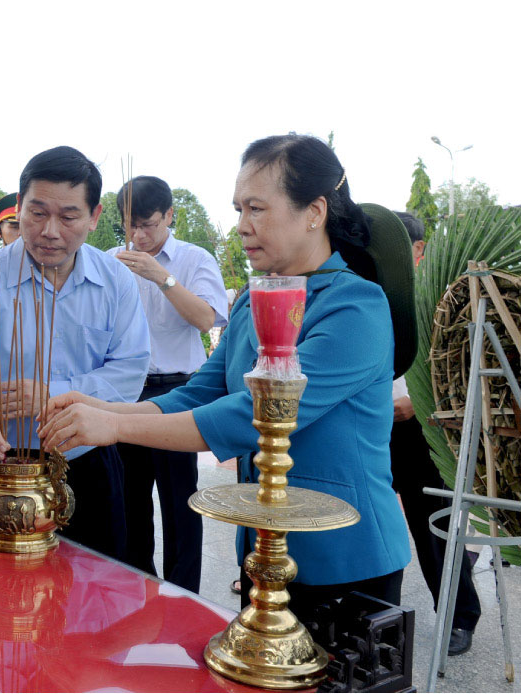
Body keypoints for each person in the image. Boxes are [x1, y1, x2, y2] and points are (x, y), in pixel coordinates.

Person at [39, 134, 412, 624]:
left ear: (314, 211)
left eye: (256, 209)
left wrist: (113, 427)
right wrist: (96, 408)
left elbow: (256, 414)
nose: (241, 227)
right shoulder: (255, 303)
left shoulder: (355, 307)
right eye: (238, 209)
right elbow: (196, 394)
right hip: (262, 546)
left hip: (343, 556)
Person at [0, 145, 150, 561]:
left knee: (99, 590)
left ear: (94, 217)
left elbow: (129, 371)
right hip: (4, 468)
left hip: (88, 462)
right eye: (37, 213)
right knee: (6, 593)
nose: (50, 230)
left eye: (68, 216)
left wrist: (53, 396)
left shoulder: (116, 282)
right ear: (18, 206)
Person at [107, 175, 228, 592]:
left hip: (180, 390)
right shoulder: (111, 261)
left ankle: (183, 595)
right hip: (126, 394)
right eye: (131, 226)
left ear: (170, 216)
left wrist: (163, 277)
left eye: (149, 224)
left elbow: (206, 319)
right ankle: (139, 588)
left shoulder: (194, 259)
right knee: (130, 499)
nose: (139, 236)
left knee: (180, 501)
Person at [391, 211, 480, 656]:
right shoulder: (375, 292)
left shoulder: (445, 296)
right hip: (371, 423)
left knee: (432, 528)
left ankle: (461, 615)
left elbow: (465, 373)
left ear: (420, 250)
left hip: (421, 427)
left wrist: (420, 404)